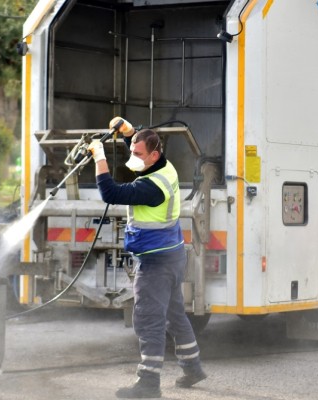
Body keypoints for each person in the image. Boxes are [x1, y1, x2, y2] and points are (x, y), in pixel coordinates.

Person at [88, 117, 207, 398]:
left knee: (147, 319)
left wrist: (99, 156)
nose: (133, 157)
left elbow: (110, 192)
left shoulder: (152, 188)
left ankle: (148, 384)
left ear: (153, 154)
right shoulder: (164, 166)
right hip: (172, 256)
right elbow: (140, 148)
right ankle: (193, 367)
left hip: (155, 263)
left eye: (138, 154)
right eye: (133, 152)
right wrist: (129, 131)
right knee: (175, 314)